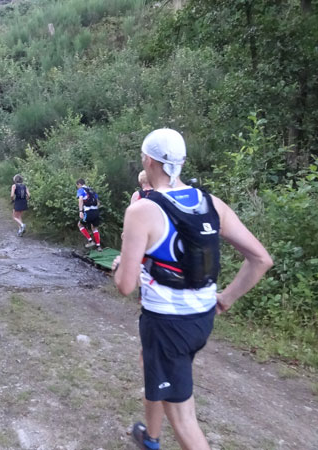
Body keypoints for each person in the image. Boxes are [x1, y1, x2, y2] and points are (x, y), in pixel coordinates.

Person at [112, 128, 273, 450]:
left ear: (148, 160)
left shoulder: (142, 210)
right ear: (182, 162)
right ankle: (151, 437)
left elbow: (126, 286)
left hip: (168, 325)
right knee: (153, 366)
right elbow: (261, 259)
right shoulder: (211, 203)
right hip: (200, 320)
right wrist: (225, 299)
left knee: (184, 419)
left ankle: (157, 436)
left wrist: (118, 267)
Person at [76, 179, 102, 252]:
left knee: (80, 225)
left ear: (79, 184)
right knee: (95, 228)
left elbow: (80, 200)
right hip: (96, 211)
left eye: (77, 186)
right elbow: (98, 203)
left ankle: (90, 241)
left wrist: (80, 211)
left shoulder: (81, 190)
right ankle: (98, 247)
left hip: (88, 212)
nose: (77, 187)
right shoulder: (92, 190)